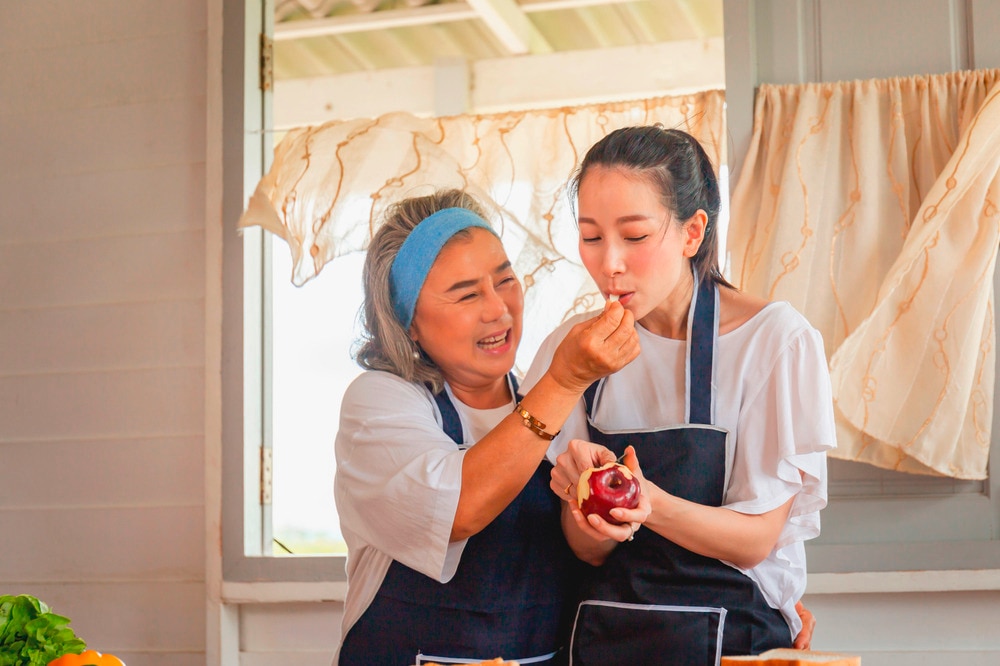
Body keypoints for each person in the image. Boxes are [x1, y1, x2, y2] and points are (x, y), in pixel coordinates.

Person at [521, 126, 835, 664]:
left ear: (692, 233)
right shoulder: (569, 350)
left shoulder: (774, 342)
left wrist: (648, 503)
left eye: (635, 236)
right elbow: (584, 552)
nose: (609, 263)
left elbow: (756, 539)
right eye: (591, 237)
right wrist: (588, 513)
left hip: (738, 646)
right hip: (602, 643)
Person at [332, 189, 640, 666]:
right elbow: (458, 510)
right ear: (408, 321)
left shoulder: (549, 399)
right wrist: (566, 378)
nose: (498, 309)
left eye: (506, 280)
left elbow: (587, 554)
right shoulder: (380, 403)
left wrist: (600, 521)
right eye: (467, 294)